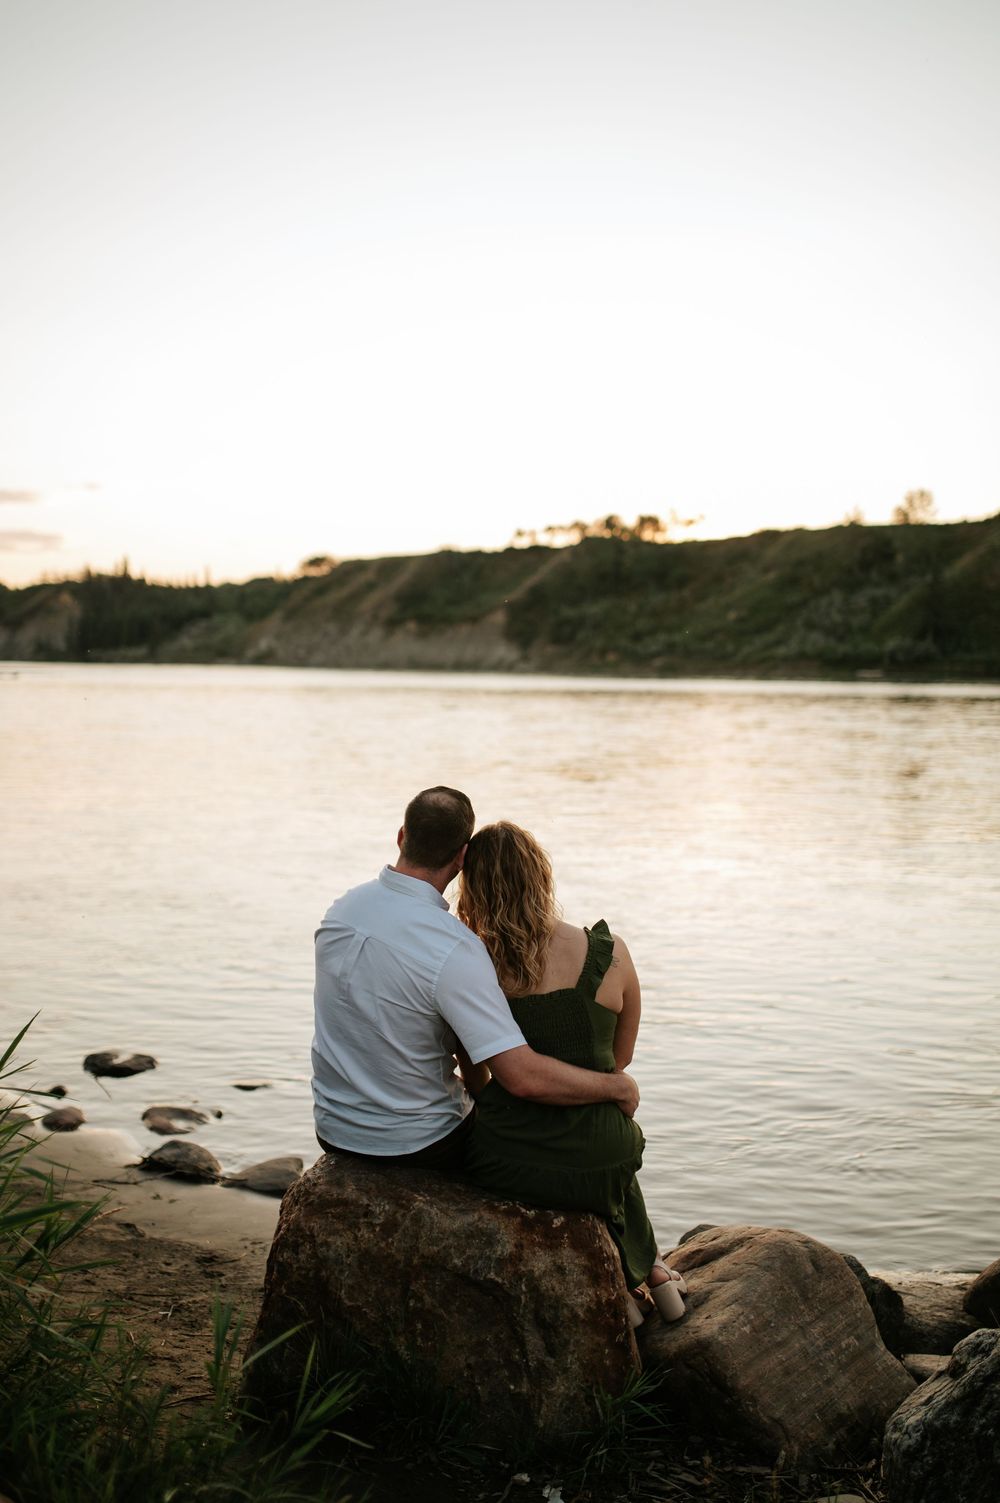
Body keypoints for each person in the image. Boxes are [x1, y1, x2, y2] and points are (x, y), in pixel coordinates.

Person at [311, 787, 640, 1174]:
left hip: (333, 1128)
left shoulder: (341, 911)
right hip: (417, 1143)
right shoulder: (454, 948)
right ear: (462, 857)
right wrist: (619, 1087)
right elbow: (521, 1078)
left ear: (402, 836)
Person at [456, 820, 686, 1324]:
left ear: (473, 887)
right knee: (603, 1156)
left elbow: (476, 1080)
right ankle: (650, 1276)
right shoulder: (611, 953)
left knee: (565, 1157)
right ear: (541, 876)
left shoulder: (470, 968)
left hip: (511, 1156)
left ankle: (628, 1291)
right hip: (603, 1150)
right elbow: (616, 1062)